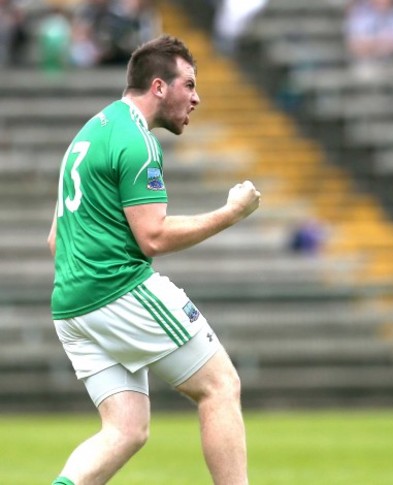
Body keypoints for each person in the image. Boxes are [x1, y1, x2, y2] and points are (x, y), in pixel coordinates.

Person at [47, 35, 259, 485]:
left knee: (125, 429)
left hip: (70, 305)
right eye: (189, 84)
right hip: (117, 290)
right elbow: (154, 237)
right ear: (159, 87)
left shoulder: (89, 133)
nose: (197, 97)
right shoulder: (137, 141)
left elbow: (55, 240)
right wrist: (231, 213)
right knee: (221, 387)